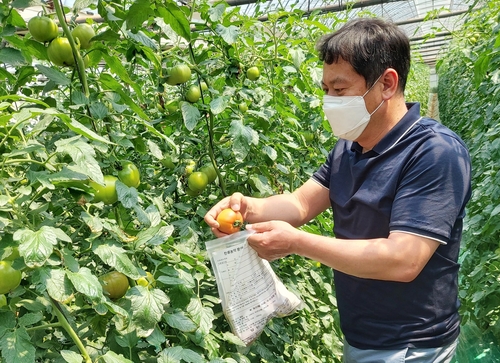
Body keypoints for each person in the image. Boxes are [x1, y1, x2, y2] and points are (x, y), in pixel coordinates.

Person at [204, 17, 471, 363]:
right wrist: (247, 208)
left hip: (409, 346)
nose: (329, 101)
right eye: (325, 90)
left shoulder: (435, 153)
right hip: (362, 334)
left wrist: (297, 243)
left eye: (340, 90)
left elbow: (403, 260)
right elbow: (301, 203)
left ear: (387, 83)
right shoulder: (349, 147)